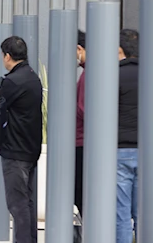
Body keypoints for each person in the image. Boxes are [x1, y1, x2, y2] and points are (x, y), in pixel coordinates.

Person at [0, 36, 43, 243]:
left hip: (15, 149)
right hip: (31, 148)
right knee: (28, 202)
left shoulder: (12, 81)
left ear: (8, 56)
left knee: (17, 204)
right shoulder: (33, 77)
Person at [116, 29, 139, 243]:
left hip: (121, 149)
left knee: (121, 214)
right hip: (146, 151)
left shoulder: (115, 76)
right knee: (144, 212)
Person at [75, 30, 86, 216]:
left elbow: (83, 110)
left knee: (79, 193)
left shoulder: (87, 75)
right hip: (82, 140)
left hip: (81, 141)